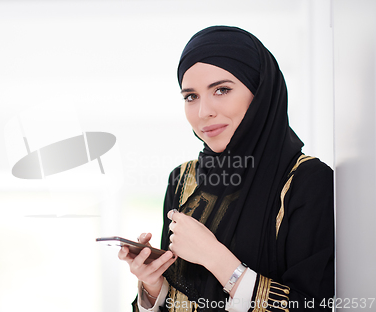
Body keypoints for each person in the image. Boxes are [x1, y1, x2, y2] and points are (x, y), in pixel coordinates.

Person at [118, 26, 334, 312]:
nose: (203, 111)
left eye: (221, 90)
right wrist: (153, 287)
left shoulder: (307, 182)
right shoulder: (183, 180)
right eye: (190, 96)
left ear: (260, 93)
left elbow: (315, 306)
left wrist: (217, 259)